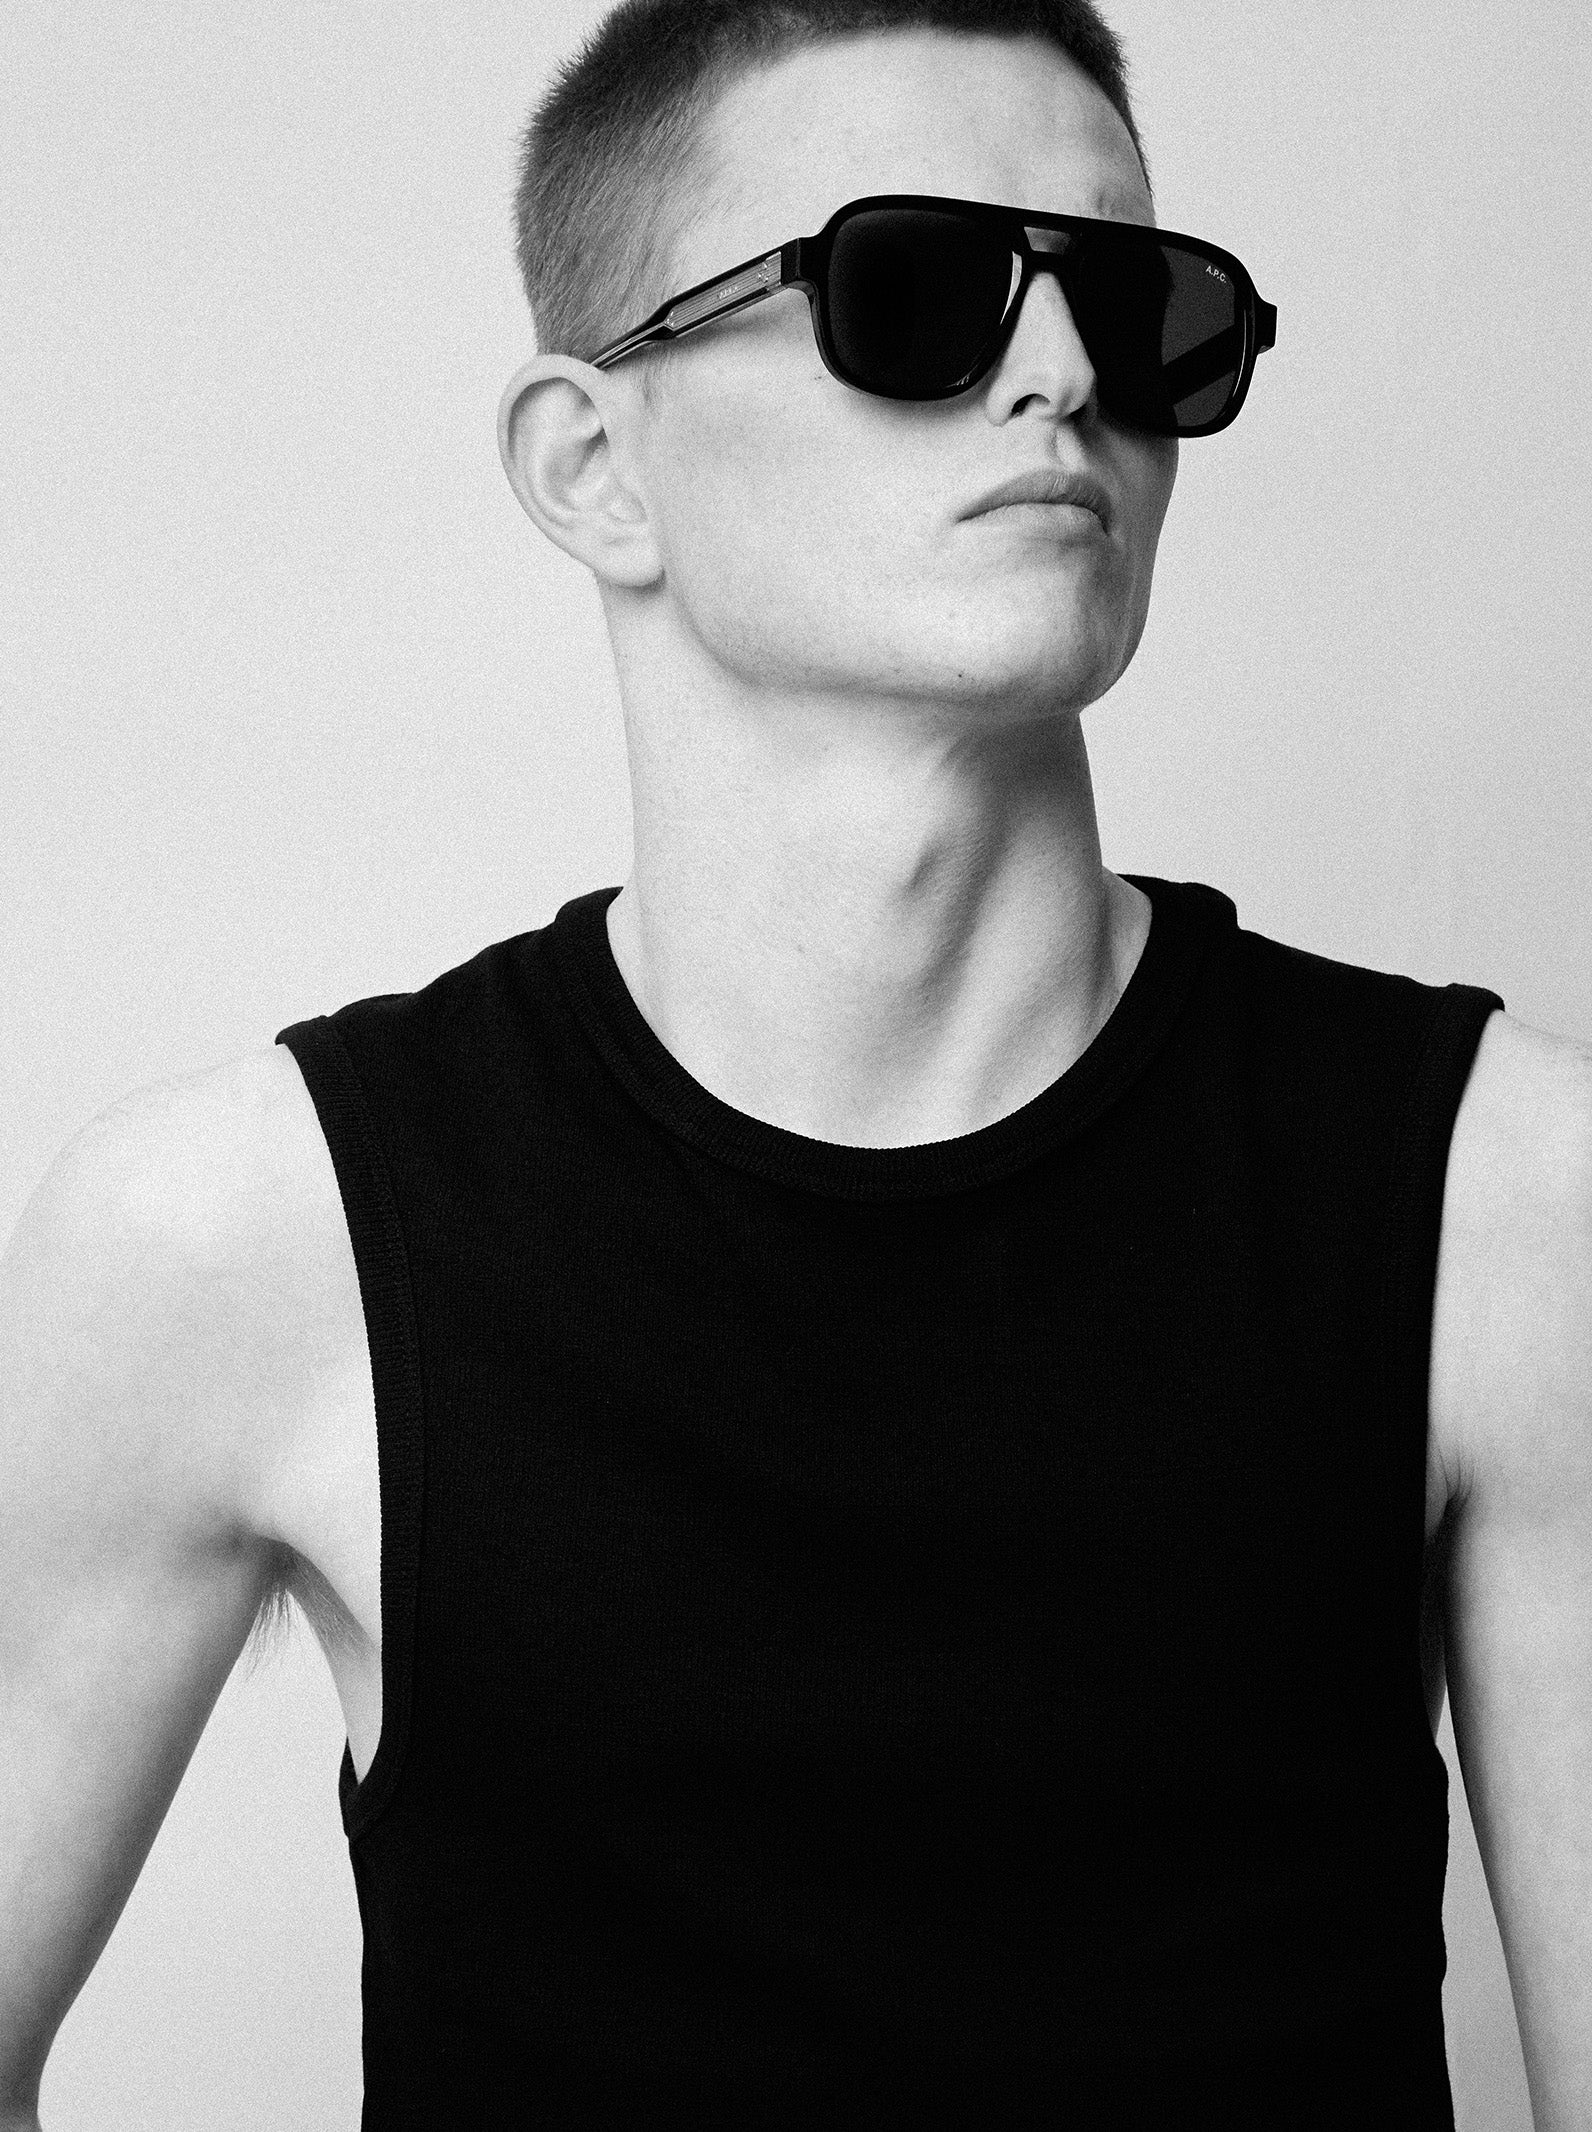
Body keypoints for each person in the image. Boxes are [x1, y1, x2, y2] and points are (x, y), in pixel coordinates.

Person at [2, 0, 1588, 2125]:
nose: (1062, 375)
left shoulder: (1511, 1205)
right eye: (911, 289)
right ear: (593, 466)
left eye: (1139, 308)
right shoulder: (240, 1243)